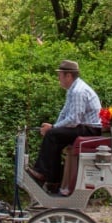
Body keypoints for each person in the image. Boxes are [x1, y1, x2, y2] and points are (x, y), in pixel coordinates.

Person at [26, 59, 102, 192]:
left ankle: (42, 173)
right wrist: (54, 126)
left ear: (68, 75)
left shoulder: (78, 91)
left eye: (60, 75)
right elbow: (65, 113)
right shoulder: (72, 90)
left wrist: (53, 129)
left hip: (90, 129)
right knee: (54, 138)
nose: (58, 78)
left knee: (52, 135)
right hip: (83, 127)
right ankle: (53, 181)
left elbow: (74, 120)